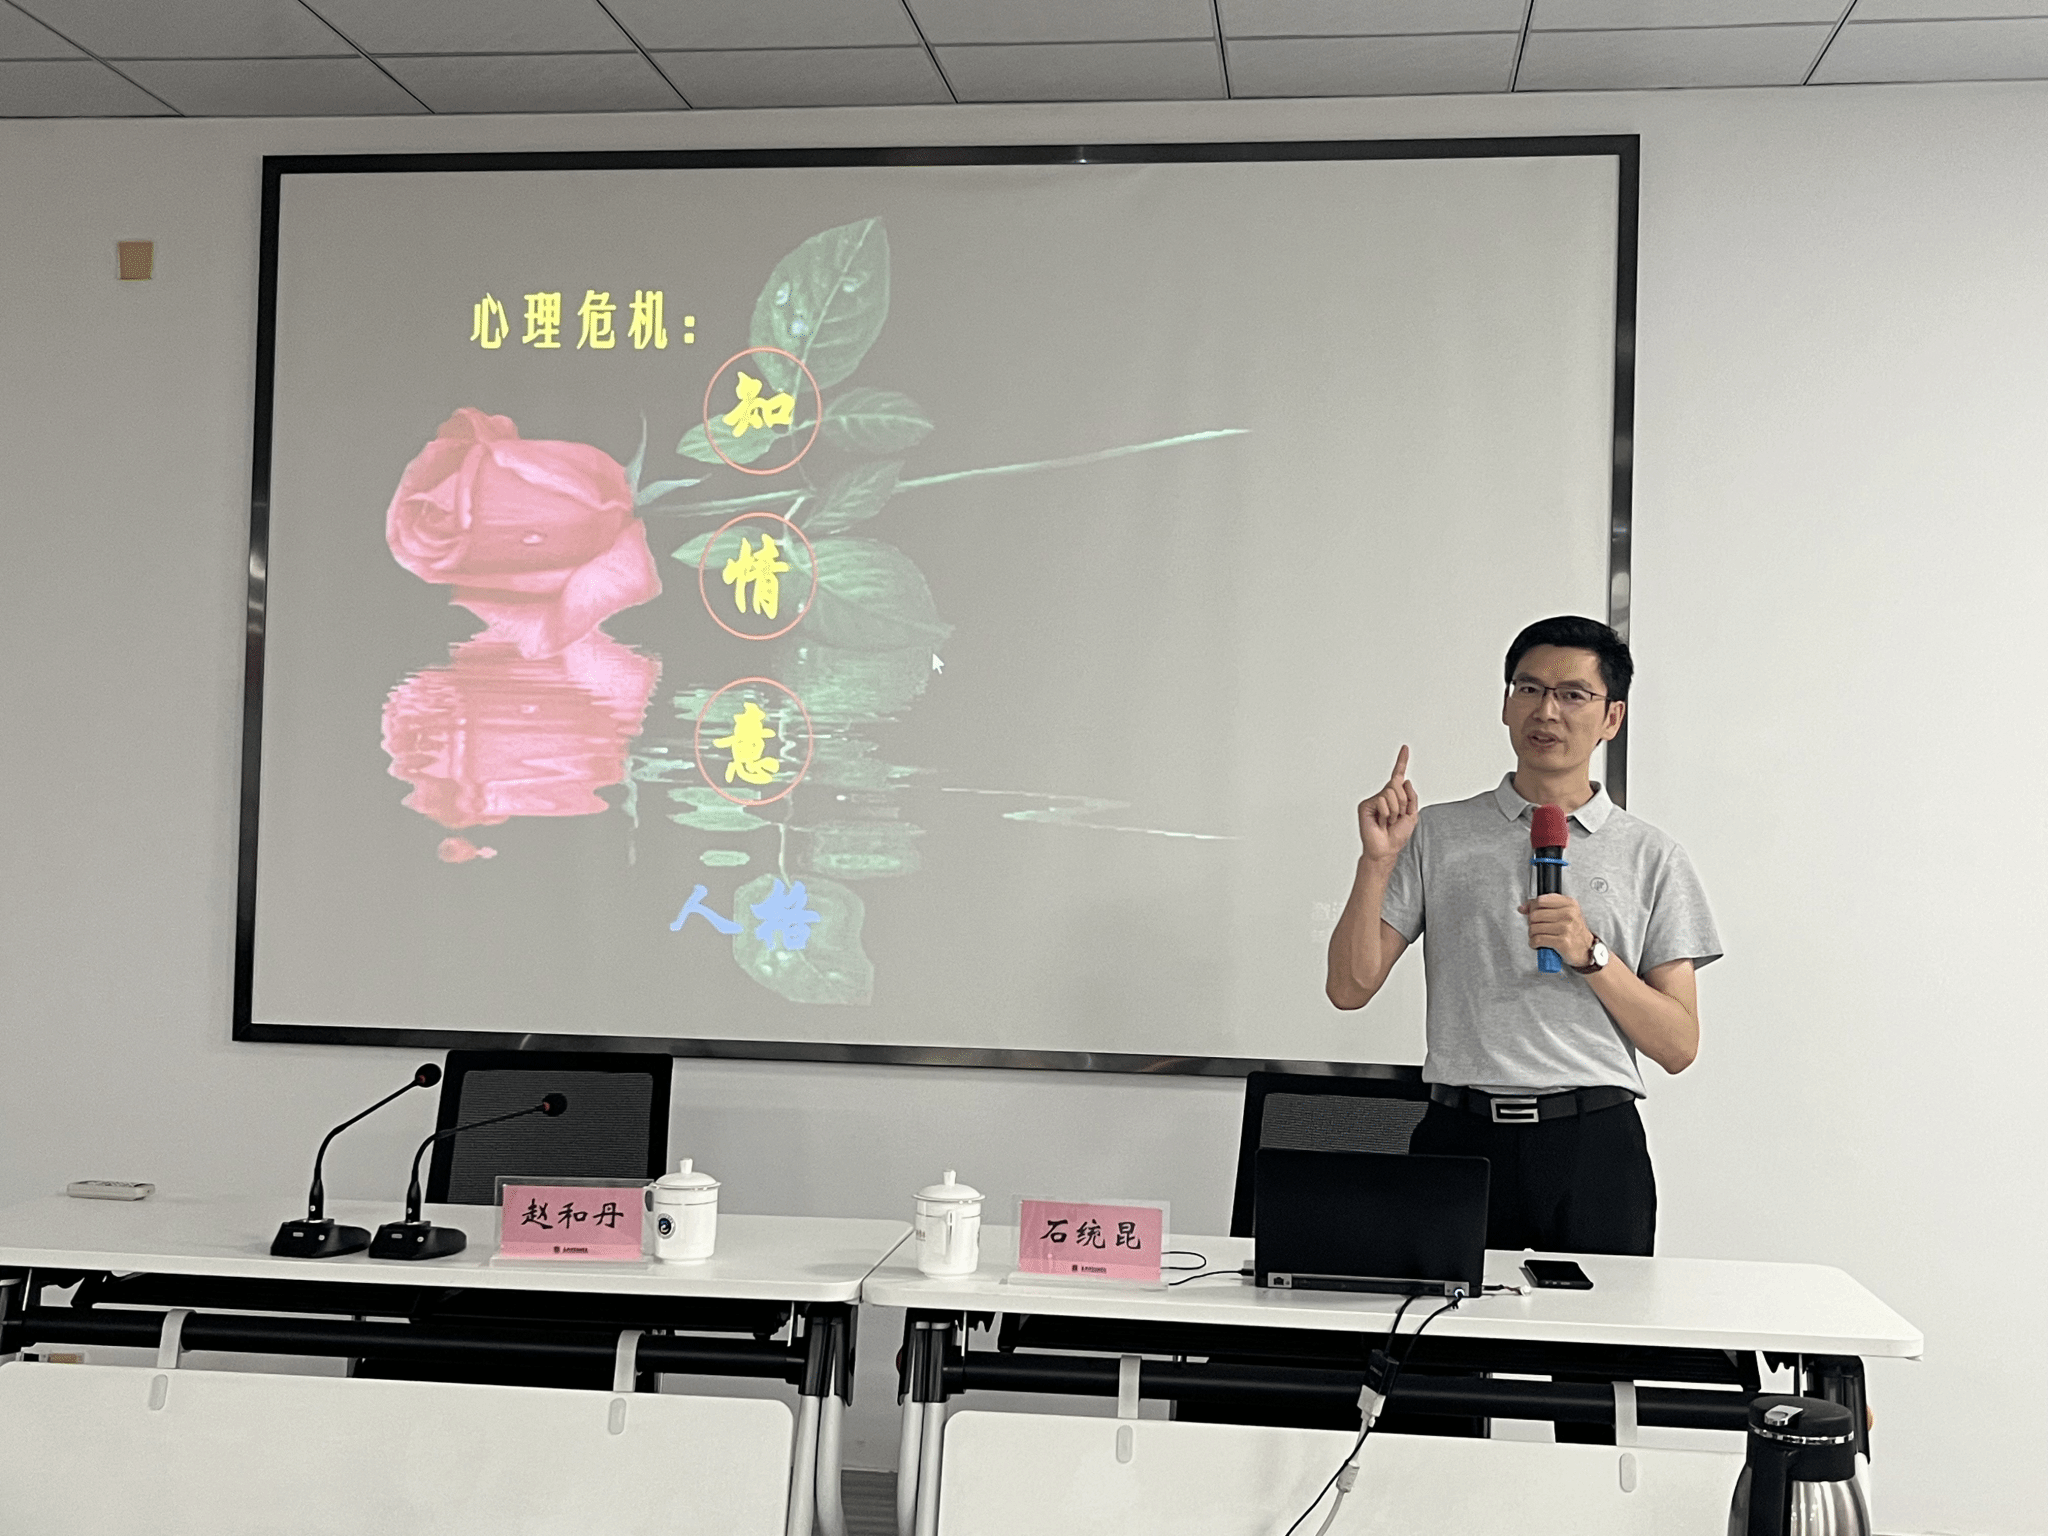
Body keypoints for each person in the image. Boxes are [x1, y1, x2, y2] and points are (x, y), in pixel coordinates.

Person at [1326, 615, 1721, 1260]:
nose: (1547, 711)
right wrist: (1376, 862)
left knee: (1599, 1328)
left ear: (1612, 718)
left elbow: (1678, 1046)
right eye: (1529, 689)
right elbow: (1349, 988)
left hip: (1592, 1144)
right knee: (1438, 1324)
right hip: (1460, 1136)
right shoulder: (1436, 834)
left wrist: (1592, 955)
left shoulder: (1654, 856)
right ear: (1506, 705)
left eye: (1573, 695)